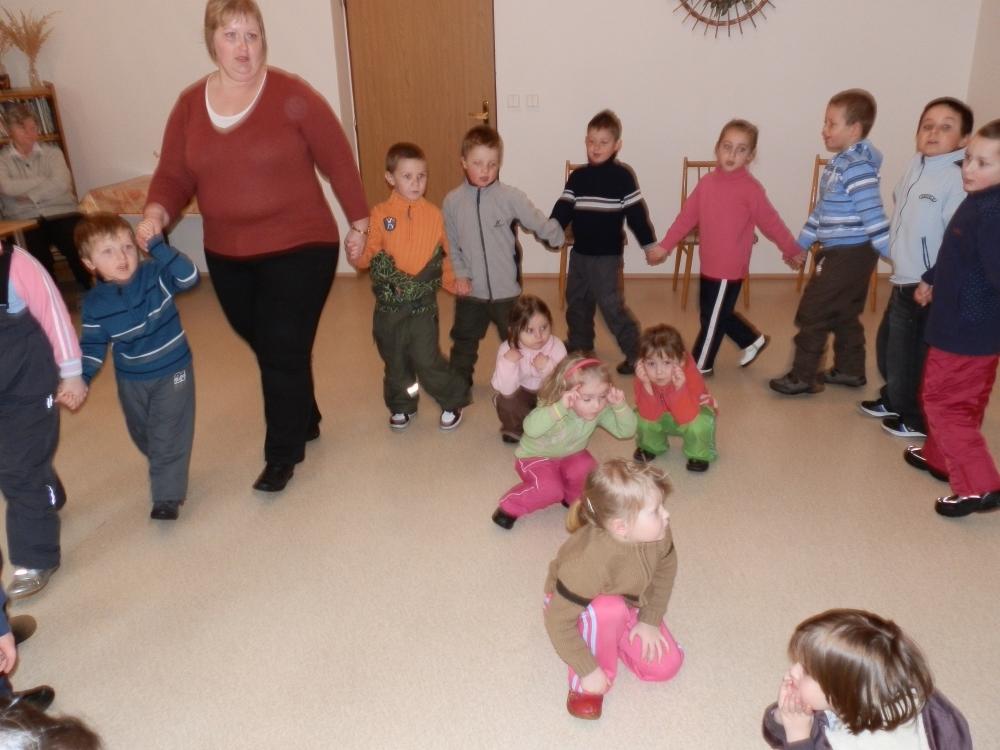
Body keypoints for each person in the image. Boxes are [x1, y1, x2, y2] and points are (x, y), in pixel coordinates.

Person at [140, 0, 369, 494]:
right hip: (227, 253)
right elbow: (174, 174)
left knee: (281, 345)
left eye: (252, 35)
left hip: (302, 243)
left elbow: (337, 158)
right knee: (268, 342)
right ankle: (304, 412)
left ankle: (282, 454)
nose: (243, 47)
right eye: (231, 35)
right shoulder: (189, 105)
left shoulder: (292, 94)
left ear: (264, 40)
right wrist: (156, 212)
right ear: (212, 41)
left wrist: (360, 222)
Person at [647, 119, 806, 375]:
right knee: (713, 312)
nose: (732, 155)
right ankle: (751, 339)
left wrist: (792, 249)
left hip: (730, 266)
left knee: (712, 318)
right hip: (709, 262)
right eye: (727, 147)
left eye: (741, 150)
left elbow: (771, 223)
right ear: (717, 148)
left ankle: (700, 365)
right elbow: (686, 218)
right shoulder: (706, 184)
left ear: (750, 156)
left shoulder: (751, 189)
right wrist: (665, 246)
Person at [859, 98, 972, 440]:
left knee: (910, 353)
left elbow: (957, 238)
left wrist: (933, 278)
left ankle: (915, 416)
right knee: (889, 345)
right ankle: (895, 397)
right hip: (904, 275)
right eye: (927, 125)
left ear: (964, 139)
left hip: (927, 283)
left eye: (946, 127)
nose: (933, 132)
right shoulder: (917, 164)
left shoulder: (957, 179)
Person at [75, 214, 199, 521]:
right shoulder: (94, 304)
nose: (122, 257)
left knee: (168, 431)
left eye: (128, 247)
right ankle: (165, 463)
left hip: (173, 368)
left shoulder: (155, 274)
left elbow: (189, 277)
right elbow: (92, 346)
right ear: (89, 263)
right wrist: (81, 377)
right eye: (108, 251)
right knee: (144, 432)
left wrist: (157, 246)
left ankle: (166, 496)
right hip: (131, 378)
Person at [770, 89, 890, 396]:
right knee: (844, 312)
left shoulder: (857, 167)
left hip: (849, 254)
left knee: (814, 310)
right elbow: (821, 211)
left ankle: (803, 376)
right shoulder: (839, 164)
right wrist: (800, 244)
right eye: (825, 122)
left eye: (831, 123)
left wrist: (896, 255)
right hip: (843, 252)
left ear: (854, 129)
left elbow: (874, 216)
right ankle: (850, 370)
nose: (824, 129)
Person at [543, 459, 683, 720]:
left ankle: (613, 635)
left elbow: (665, 572)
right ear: (621, 527)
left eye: (662, 506)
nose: (666, 515)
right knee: (608, 610)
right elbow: (557, 620)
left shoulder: (659, 533)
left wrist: (650, 619)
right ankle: (585, 684)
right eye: (655, 511)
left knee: (667, 667)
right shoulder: (586, 564)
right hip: (579, 607)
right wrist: (587, 669)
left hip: (630, 599)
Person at [909, 119, 1000, 519]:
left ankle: (980, 484)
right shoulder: (980, 199)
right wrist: (932, 279)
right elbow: (958, 254)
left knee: (944, 404)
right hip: (963, 327)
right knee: (957, 399)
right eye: (968, 159)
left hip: (966, 331)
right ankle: (941, 457)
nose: (969, 169)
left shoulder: (992, 212)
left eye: (983, 163)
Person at [347, 142, 469, 430]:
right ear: (390, 178)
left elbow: (447, 255)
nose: (416, 183)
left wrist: (456, 281)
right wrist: (356, 253)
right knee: (395, 359)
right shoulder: (380, 215)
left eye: (421, 176)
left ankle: (452, 399)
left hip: (422, 305)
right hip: (389, 307)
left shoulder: (435, 215)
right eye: (407, 176)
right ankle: (403, 404)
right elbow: (369, 254)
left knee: (426, 358)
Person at [444, 125, 565, 384]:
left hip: (506, 292)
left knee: (517, 341)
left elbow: (536, 220)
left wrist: (557, 235)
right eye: (478, 163)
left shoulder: (510, 197)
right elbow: (451, 244)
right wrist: (460, 274)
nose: (485, 171)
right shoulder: (452, 202)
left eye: (492, 164)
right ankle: (457, 386)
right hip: (470, 291)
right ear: (463, 162)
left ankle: (523, 382)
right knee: (464, 340)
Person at [0, 238, 85, 599]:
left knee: (19, 471)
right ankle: (46, 487)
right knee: (23, 461)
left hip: (29, 386)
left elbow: (55, 318)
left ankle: (35, 558)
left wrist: (71, 373)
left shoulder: (18, 266)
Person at [762, 608, 971, 749]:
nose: (792, 671)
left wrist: (798, 736)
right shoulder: (873, 690)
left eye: (806, 671)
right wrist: (784, 716)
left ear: (841, 694)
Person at [550, 109, 657, 374]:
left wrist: (649, 245)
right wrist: (551, 229)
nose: (596, 147)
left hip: (607, 258)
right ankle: (580, 346)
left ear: (617, 145)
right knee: (577, 301)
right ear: (585, 141)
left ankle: (637, 354)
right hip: (580, 255)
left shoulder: (622, 177)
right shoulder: (578, 177)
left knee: (610, 305)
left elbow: (636, 215)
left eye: (603, 142)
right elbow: (563, 208)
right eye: (591, 141)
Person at [491, 355, 636, 529]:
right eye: (587, 399)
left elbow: (626, 431)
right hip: (535, 458)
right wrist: (559, 408)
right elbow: (530, 429)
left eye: (602, 396)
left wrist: (620, 406)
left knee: (589, 473)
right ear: (565, 393)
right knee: (550, 490)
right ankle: (510, 507)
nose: (596, 405)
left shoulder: (599, 410)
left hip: (572, 454)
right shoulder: (551, 407)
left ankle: (573, 499)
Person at [0, 104, 91, 293]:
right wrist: (44, 180)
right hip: (23, 219)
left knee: (77, 244)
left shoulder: (53, 153)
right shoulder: (2, 159)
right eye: (22, 128)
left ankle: (90, 290)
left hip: (61, 212)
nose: (30, 133)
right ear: (9, 131)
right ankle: (49, 297)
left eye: (33, 127)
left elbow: (62, 183)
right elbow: (7, 187)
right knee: (35, 255)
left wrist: (29, 195)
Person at [631, 324, 718, 472]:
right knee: (640, 418)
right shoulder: (643, 376)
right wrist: (646, 385)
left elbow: (688, 416)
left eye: (667, 363)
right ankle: (651, 446)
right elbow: (647, 414)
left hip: (690, 413)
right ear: (642, 362)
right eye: (651, 364)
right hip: (660, 414)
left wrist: (680, 389)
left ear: (681, 360)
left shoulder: (691, 376)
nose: (659, 372)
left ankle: (698, 454)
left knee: (699, 425)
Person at [490, 295, 567, 443]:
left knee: (566, 403)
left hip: (547, 393)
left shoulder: (557, 346)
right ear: (513, 331)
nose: (539, 336)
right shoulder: (506, 349)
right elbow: (506, 390)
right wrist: (508, 364)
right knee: (506, 401)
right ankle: (515, 428)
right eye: (530, 330)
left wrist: (547, 368)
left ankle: (542, 423)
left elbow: (561, 386)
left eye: (544, 327)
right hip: (521, 391)